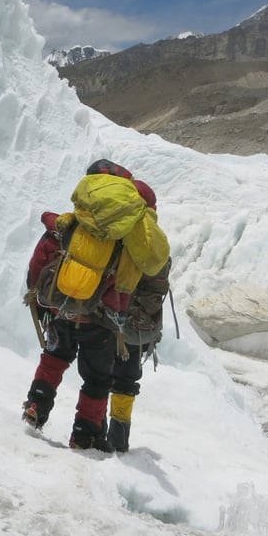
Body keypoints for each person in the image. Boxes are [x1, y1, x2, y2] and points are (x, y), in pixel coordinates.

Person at [21, 162, 168, 451]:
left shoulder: (70, 223)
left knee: (53, 359)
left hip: (61, 311)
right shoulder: (129, 240)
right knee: (97, 380)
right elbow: (127, 286)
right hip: (99, 323)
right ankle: (85, 435)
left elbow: (41, 261)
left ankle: (36, 406)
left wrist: (37, 295)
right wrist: (119, 313)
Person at [108, 180, 171, 453]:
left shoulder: (114, 233)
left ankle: (93, 431)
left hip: (108, 321)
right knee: (126, 380)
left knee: (99, 376)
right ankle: (119, 438)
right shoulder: (155, 243)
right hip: (138, 327)